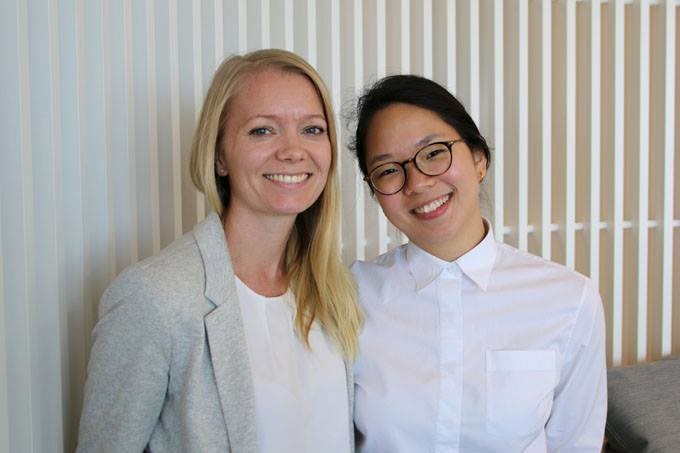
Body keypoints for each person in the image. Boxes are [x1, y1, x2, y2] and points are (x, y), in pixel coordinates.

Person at [77, 49, 362, 453]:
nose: (293, 150)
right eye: (263, 130)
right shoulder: (154, 297)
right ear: (219, 156)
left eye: (313, 130)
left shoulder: (338, 289)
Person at [349, 75, 606, 452]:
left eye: (434, 152)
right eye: (389, 170)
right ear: (376, 193)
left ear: (479, 159)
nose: (417, 183)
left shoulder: (569, 299)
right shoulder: (349, 296)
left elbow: (575, 444)